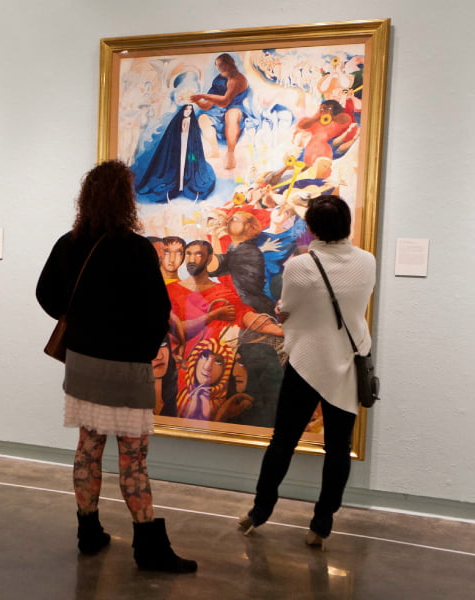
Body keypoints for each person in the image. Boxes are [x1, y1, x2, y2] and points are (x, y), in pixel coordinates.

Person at [36, 160, 196, 573]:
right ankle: (148, 546)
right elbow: (157, 310)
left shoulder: (68, 244)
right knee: (134, 460)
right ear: (125, 200)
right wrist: (142, 349)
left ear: (86, 198)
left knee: (88, 451)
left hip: (83, 363)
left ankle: (88, 533)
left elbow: (46, 295)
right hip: (126, 367)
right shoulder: (137, 249)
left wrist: (84, 326)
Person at [239, 195, 376, 550]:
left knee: (282, 442)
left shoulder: (300, 266)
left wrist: (287, 311)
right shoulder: (367, 261)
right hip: (347, 362)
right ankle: (321, 524)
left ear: (311, 228)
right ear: (347, 224)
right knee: (338, 448)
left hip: (306, 363)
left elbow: (286, 311)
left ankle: (259, 512)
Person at [191, 53, 249, 170]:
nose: (219, 68)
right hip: (218, 111)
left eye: (222, 64)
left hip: (235, 108)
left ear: (229, 63)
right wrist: (196, 100)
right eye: (217, 65)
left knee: (231, 116)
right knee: (203, 118)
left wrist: (203, 95)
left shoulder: (237, 79)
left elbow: (225, 101)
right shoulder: (218, 81)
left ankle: (230, 154)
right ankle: (215, 150)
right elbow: (207, 106)